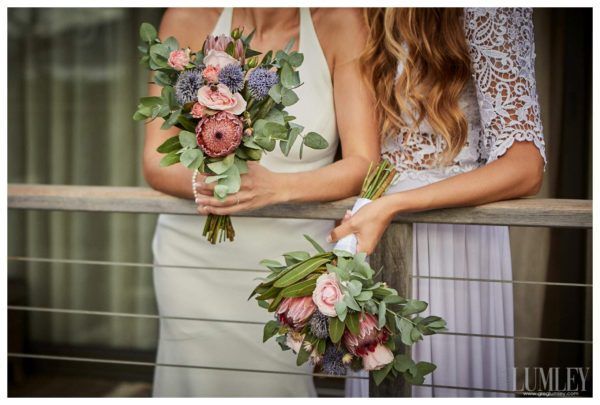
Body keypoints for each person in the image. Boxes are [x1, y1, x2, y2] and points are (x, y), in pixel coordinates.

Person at [142, 7, 379, 397]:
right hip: (194, 258)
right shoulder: (187, 16)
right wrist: (216, 183)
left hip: (288, 270)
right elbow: (155, 161)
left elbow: (363, 163)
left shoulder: (341, 21)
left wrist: (278, 189)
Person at [329, 8, 546, 397]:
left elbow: (525, 166)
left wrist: (396, 204)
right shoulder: (363, 15)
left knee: (445, 376)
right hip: (373, 235)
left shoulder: (489, 12)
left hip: (455, 242)